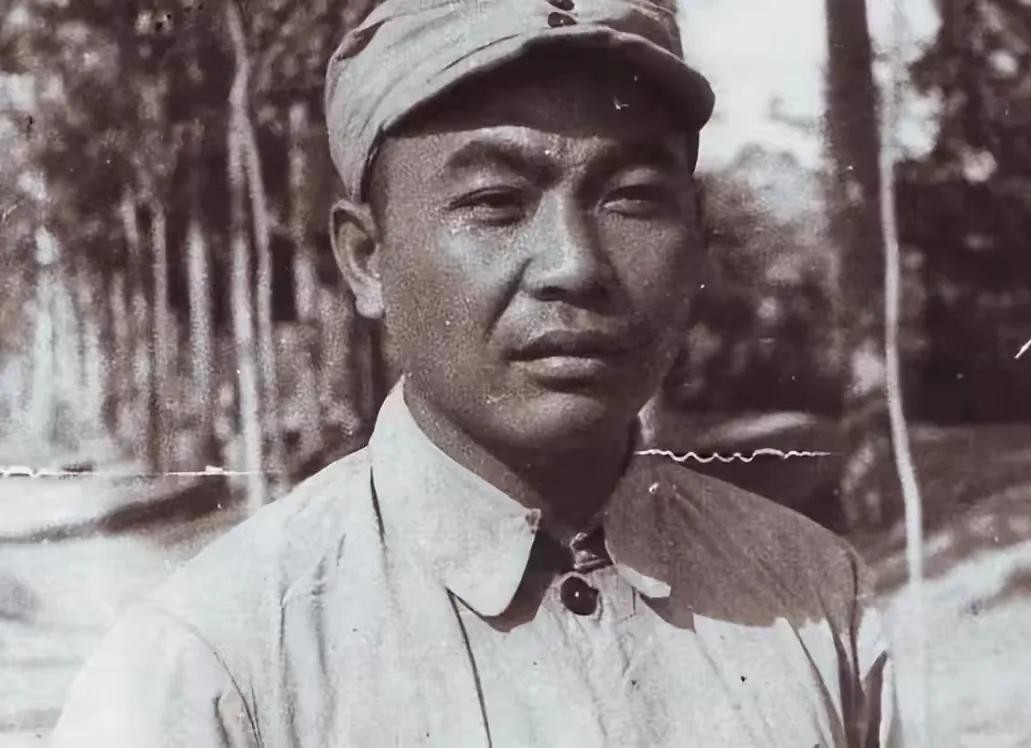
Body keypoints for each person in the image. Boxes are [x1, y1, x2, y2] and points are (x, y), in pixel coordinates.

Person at [52, 1, 897, 745]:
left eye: (632, 196)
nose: (574, 265)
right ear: (366, 260)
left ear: (698, 236)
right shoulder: (211, 665)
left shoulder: (818, 599)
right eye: (496, 203)